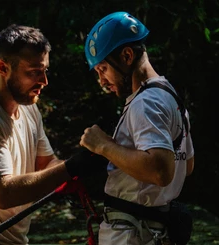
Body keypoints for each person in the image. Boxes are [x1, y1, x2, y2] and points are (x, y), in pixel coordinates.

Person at [0, 24, 99, 245]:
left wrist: (78, 169)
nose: (44, 81)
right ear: (3, 68)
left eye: (45, 70)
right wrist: (70, 168)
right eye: (33, 72)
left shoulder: (28, 107)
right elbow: (3, 194)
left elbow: (46, 163)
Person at [80, 12, 195, 245]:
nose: (101, 81)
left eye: (102, 69)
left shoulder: (146, 102)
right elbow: (187, 165)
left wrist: (104, 146)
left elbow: (161, 171)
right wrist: (121, 156)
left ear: (127, 55)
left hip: (131, 234)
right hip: (153, 230)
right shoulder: (170, 95)